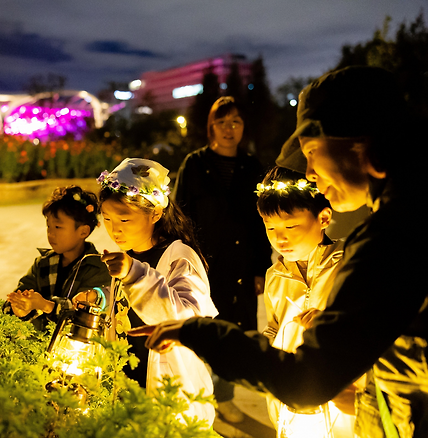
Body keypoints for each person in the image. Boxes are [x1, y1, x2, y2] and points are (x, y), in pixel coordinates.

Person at [132, 66, 428, 437]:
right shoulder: (407, 216)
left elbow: (308, 379)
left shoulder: (392, 239)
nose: (310, 173)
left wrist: (201, 334)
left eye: (312, 152)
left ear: (362, 145)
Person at [97, 158, 219, 426]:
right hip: (129, 383)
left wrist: (133, 274)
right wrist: (100, 296)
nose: (114, 229)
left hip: (170, 391)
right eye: (106, 218)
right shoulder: (129, 254)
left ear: (155, 213)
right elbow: (127, 304)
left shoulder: (180, 256)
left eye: (124, 218)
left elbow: (187, 319)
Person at [173, 95, 271, 423]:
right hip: (203, 265)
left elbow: (262, 223)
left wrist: (261, 269)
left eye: (236, 122)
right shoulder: (195, 165)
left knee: (233, 333)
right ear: (210, 126)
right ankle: (200, 396)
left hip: (242, 267)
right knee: (202, 329)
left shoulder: (252, 167)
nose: (229, 129)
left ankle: (224, 396)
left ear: (244, 127)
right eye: (222, 122)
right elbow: (180, 216)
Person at [257, 166, 355, 437]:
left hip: (338, 388)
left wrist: (329, 322)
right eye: (270, 227)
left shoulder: (347, 263)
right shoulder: (275, 276)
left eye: (291, 225)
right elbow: (275, 326)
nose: (280, 237)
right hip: (291, 390)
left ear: (323, 218)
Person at [5, 185, 111, 331]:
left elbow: (82, 314)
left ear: (83, 231)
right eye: (48, 226)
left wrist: (45, 305)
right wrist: (19, 307)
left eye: (58, 227)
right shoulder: (42, 263)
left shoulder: (97, 268)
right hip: (38, 348)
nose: (51, 234)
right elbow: (20, 294)